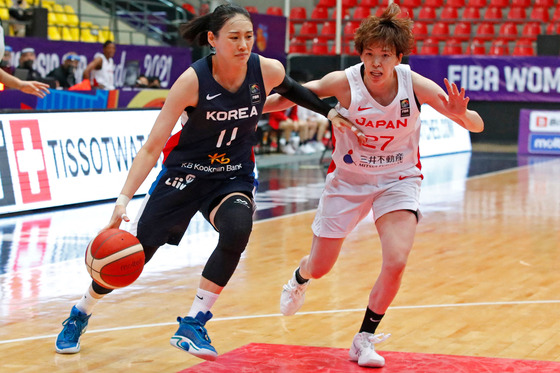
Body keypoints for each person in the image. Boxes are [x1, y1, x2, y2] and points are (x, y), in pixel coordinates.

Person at [54, 3, 357, 361]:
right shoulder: (192, 81)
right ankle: (81, 311)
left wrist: (331, 112)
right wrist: (123, 199)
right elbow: (152, 147)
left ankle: (194, 322)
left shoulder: (266, 69)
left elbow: (292, 90)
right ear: (213, 40)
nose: (244, 44)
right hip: (184, 175)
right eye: (234, 37)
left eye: (249, 36)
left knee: (237, 229)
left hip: (232, 175)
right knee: (134, 255)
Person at [268, 4, 484, 368]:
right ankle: (299, 278)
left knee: (397, 260)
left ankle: (363, 338)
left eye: (385, 55)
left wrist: (461, 113)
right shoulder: (345, 82)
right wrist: (248, 105)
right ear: (361, 55)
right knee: (321, 267)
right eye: (369, 54)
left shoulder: (414, 85)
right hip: (349, 181)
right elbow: (296, 95)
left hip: (398, 180)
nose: (376, 63)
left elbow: (476, 125)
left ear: (399, 57)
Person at [0, 30, 49, 97]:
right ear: (20, 58)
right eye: (26, 55)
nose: (29, 58)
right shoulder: (16, 71)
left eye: (31, 55)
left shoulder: (36, 73)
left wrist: (20, 84)